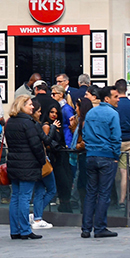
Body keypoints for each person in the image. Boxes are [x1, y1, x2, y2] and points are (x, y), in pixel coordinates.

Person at [79, 86, 120, 238]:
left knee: (91, 192)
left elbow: (84, 133)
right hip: (106, 155)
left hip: (91, 155)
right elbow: (116, 138)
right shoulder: (113, 114)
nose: (118, 99)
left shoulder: (90, 113)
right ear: (107, 99)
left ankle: (85, 227)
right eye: (115, 96)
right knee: (104, 193)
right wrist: (116, 155)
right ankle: (100, 227)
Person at [5, 94, 47, 239]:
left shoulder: (10, 122)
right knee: (24, 197)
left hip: (14, 162)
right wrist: (42, 161)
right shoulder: (28, 123)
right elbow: (36, 145)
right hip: (28, 164)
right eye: (29, 104)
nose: (32, 106)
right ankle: (25, 230)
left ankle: (15, 230)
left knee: (15, 196)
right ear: (22, 106)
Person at [32, 104, 64, 229]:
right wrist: (52, 128)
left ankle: (37, 216)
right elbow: (47, 141)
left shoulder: (36, 125)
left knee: (40, 190)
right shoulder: (44, 126)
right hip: (43, 160)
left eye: (55, 112)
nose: (53, 115)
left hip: (38, 160)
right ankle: (37, 215)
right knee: (51, 189)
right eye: (51, 112)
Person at [51, 84, 77, 212]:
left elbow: (71, 125)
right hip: (63, 141)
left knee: (68, 170)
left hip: (66, 141)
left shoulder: (65, 109)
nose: (52, 96)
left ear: (61, 94)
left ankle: (67, 198)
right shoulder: (61, 107)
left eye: (54, 94)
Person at [114, 80, 130, 207]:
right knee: (125, 171)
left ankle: (113, 198)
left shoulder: (115, 105)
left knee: (113, 170)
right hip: (128, 140)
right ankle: (123, 200)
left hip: (115, 141)